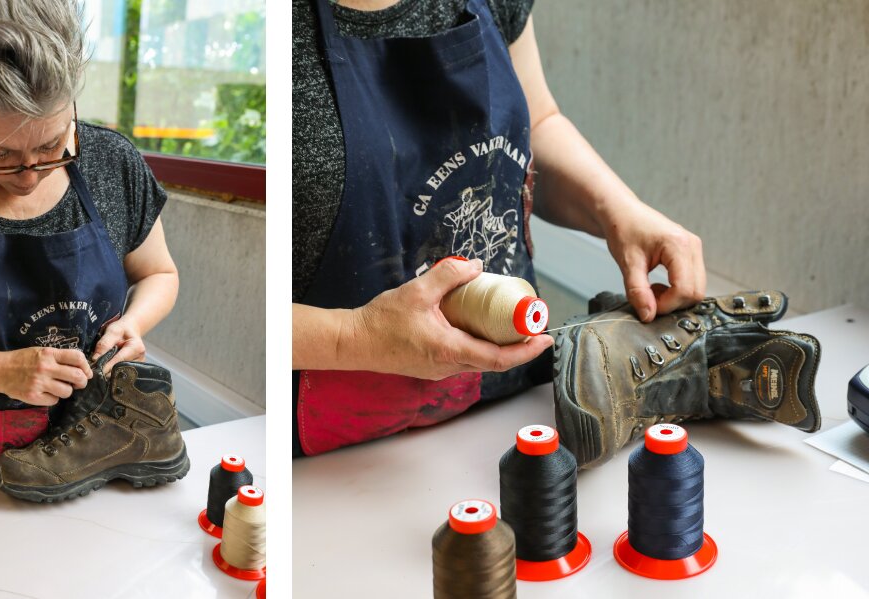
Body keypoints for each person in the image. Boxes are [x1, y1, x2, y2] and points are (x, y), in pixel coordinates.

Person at [291, 0, 705, 456]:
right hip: (334, 461)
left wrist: (619, 210)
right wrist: (357, 337)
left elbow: (538, 121)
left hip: (508, 415)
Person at [0, 0, 178, 489]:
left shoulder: (112, 164)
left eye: (52, 145)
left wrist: (133, 324)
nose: (29, 175)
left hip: (91, 463)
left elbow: (158, 273)